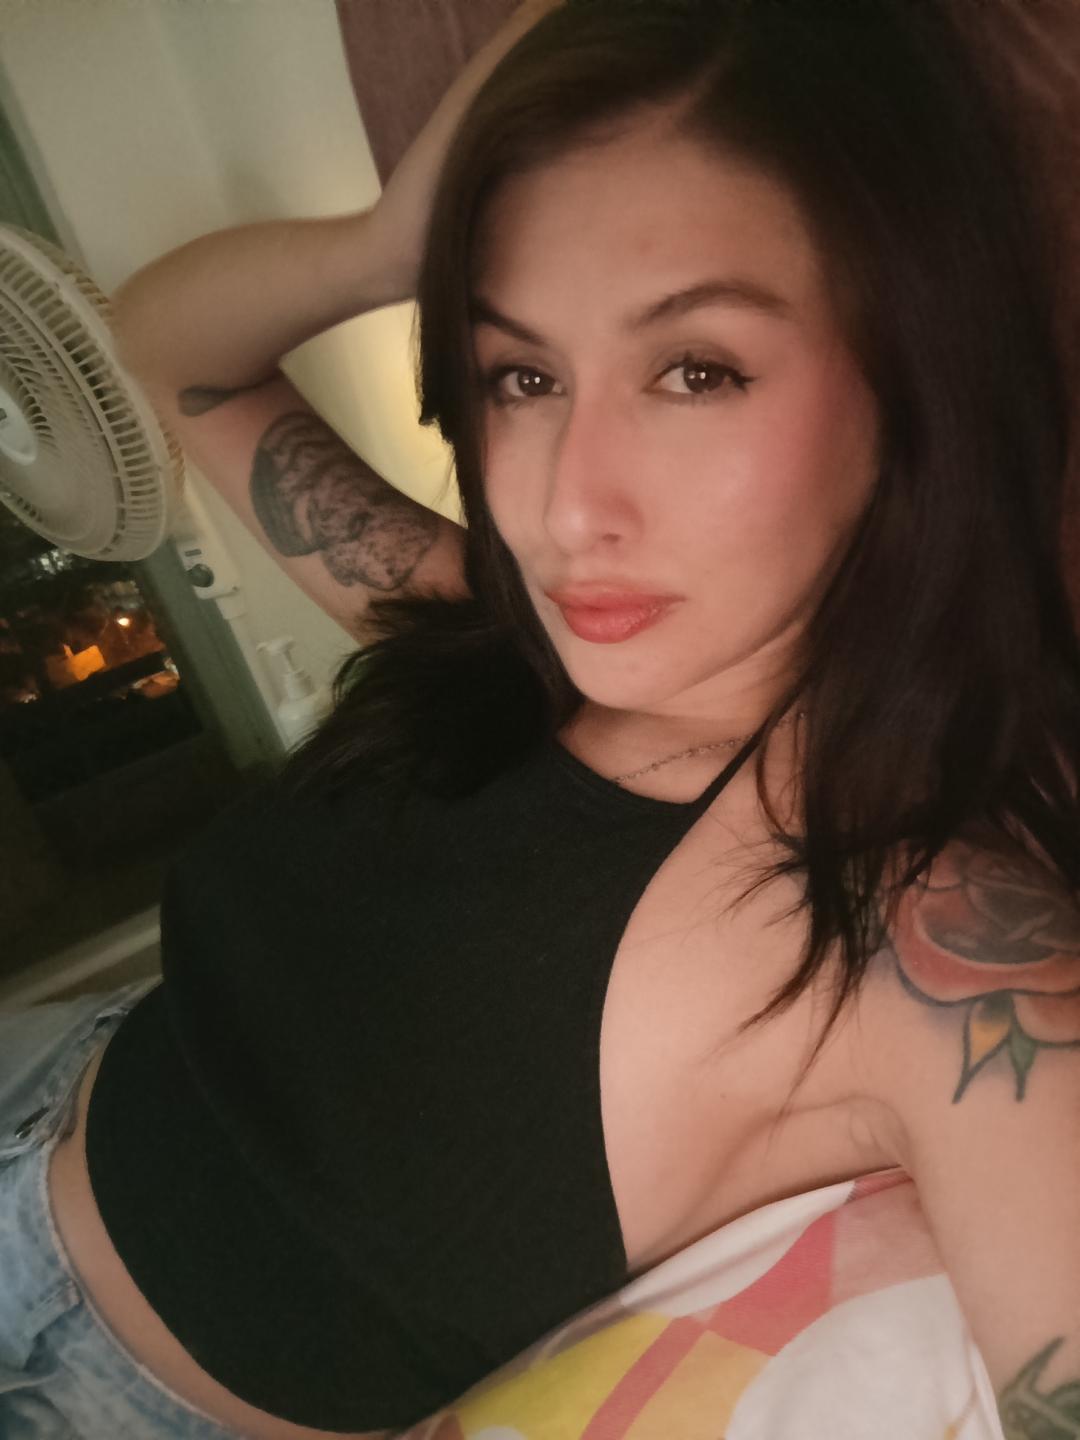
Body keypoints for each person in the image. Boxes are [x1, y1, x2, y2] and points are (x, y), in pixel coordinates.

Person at [2, 0, 1078, 1436]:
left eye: (696, 371)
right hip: (50, 1104)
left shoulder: (947, 957)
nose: (566, 507)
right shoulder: (498, 633)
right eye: (523, 374)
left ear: (917, 384)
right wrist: (403, 232)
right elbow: (168, 349)